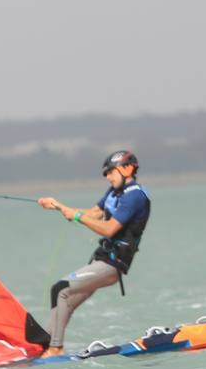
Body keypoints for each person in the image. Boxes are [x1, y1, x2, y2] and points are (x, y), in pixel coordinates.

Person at [36, 149, 150, 357]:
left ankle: (55, 349)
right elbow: (93, 214)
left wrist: (77, 216)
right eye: (106, 173)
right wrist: (59, 206)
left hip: (114, 264)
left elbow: (108, 229)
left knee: (60, 288)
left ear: (127, 169)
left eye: (111, 172)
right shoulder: (114, 192)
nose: (107, 177)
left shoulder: (135, 197)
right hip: (101, 258)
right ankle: (43, 346)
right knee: (66, 301)